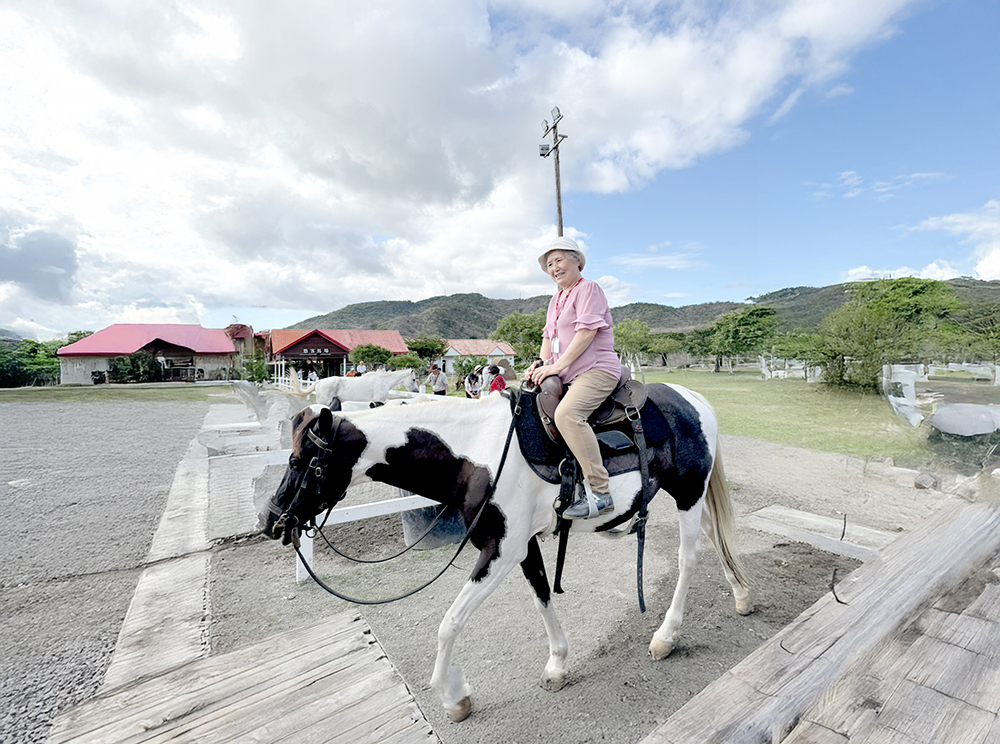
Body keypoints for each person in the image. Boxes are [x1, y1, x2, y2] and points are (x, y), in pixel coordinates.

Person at [526, 236, 620, 519]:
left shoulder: (589, 289)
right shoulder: (556, 299)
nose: (554, 267)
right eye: (549, 264)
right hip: (567, 371)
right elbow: (548, 336)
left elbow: (586, 333)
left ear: (577, 260)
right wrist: (541, 364)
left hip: (596, 370)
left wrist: (555, 367)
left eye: (559, 260)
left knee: (567, 415)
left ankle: (601, 493)